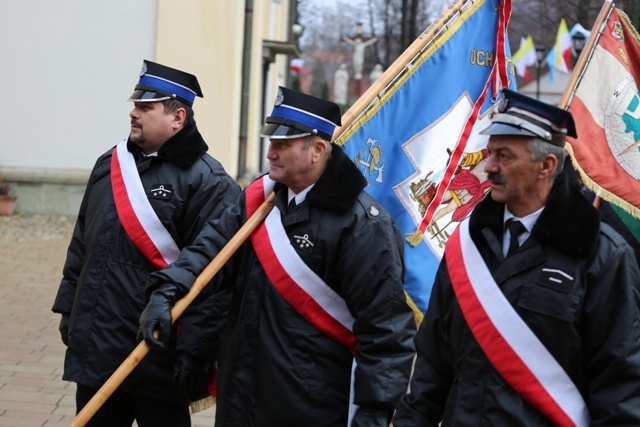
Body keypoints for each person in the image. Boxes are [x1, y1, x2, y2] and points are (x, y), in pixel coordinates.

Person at [139, 86, 417, 426]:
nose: (270, 152)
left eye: (283, 144)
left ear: (317, 150)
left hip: (309, 407)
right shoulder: (259, 203)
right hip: (242, 397)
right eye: (271, 141)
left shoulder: (362, 225)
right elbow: (208, 252)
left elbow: (385, 334)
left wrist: (373, 413)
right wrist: (168, 289)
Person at [393, 89, 640, 426]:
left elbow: (619, 386)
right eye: (490, 153)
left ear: (546, 166)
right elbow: (432, 366)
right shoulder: (467, 243)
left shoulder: (602, 255)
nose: (489, 167)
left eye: (504, 156)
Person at [52, 60, 241, 426]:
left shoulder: (211, 183)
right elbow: (82, 243)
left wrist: (197, 351)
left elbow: (216, 278)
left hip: (158, 354)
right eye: (135, 105)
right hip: (99, 347)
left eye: (145, 107)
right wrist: (69, 308)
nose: (133, 113)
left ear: (178, 117)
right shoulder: (110, 163)